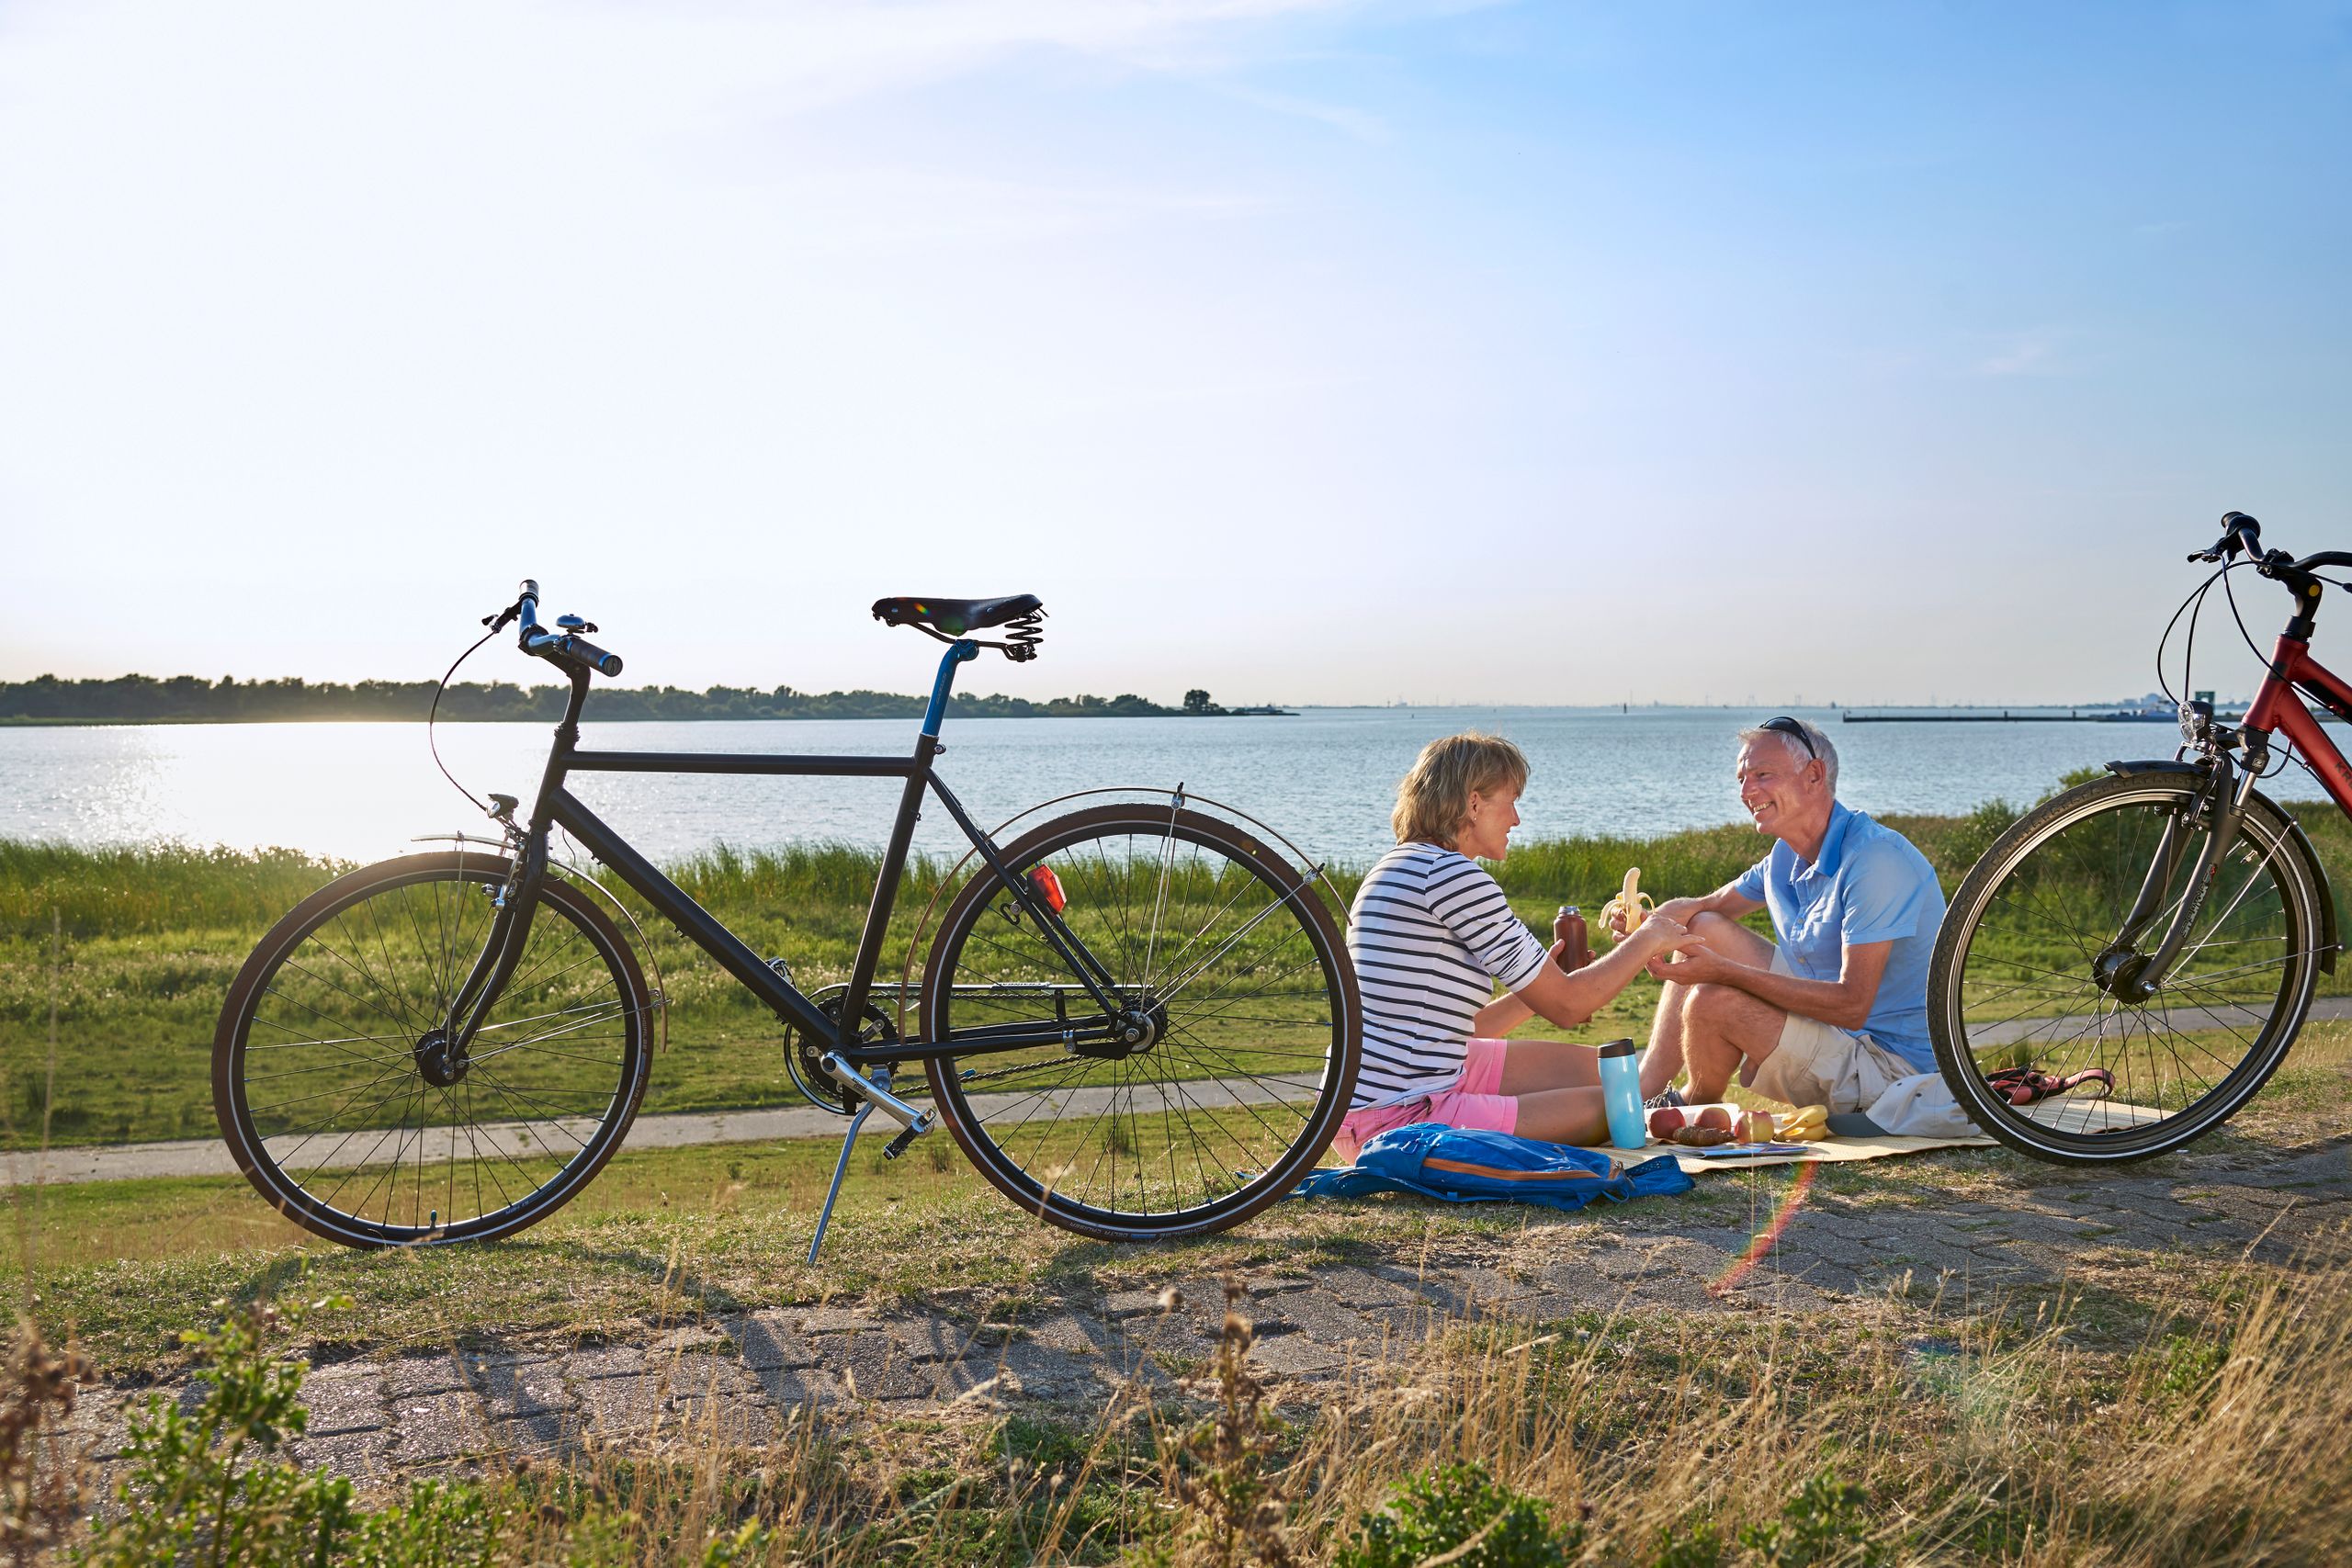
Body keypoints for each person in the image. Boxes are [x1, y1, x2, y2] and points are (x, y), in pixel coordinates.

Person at [1337, 732, 1704, 1160]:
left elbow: (1446, 1031)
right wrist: (1649, 938)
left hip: (1369, 1098)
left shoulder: (1395, 866)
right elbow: (1569, 1007)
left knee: (1613, 1073)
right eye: (1510, 801)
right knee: (1623, 1101)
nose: (1516, 819)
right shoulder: (1455, 877)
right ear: (1474, 804)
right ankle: (1666, 1112)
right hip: (1396, 1118)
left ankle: (1664, 1106)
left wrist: (1537, 993)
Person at [1614, 716, 1945, 1115]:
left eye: (1762, 774)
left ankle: (1689, 1108)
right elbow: (1703, 909)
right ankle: (1648, 1092)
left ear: (1814, 775)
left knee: (1711, 1002)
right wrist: (1645, 932)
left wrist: (1725, 973)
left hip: (1893, 1071)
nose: (1746, 791)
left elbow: (1852, 1004)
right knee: (1700, 927)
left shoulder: (1875, 860)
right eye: (1741, 778)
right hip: (1834, 1033)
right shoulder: (1784, 857)